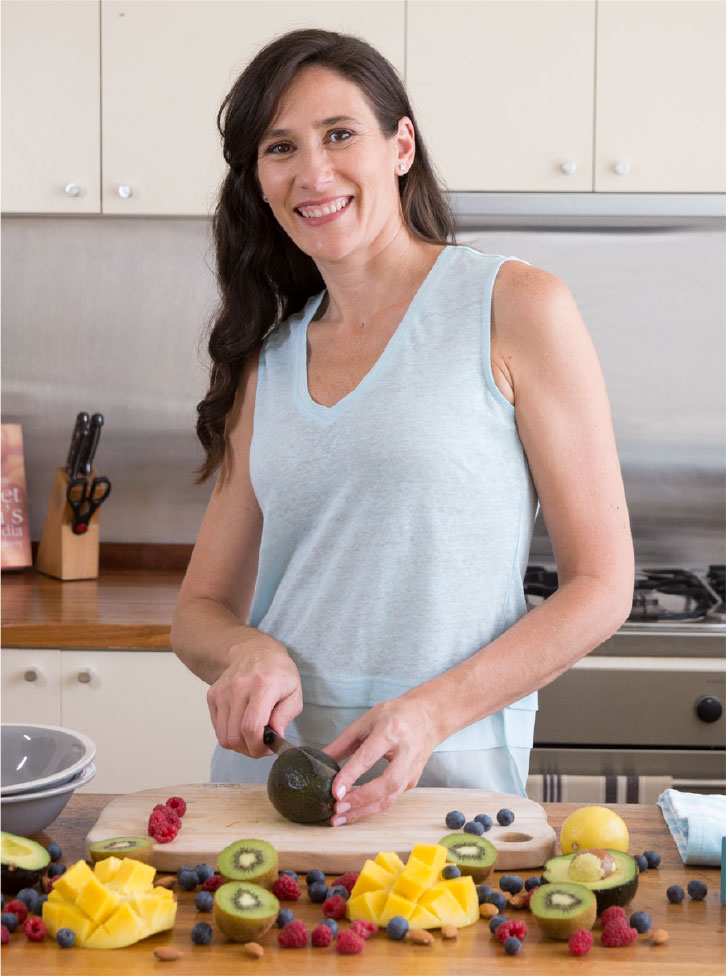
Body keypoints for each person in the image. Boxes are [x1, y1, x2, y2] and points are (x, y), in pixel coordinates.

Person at [171, 28, 634, 827]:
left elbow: (602, 587)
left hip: (449, 786)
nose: (312, 173)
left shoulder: (514, 307)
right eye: (280, 148)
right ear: (259, 180)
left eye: (339, 134)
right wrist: (246, 650)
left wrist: (428, 711)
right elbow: (199, 610)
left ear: (401, 146)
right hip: (269, 790)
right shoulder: (268, 357)